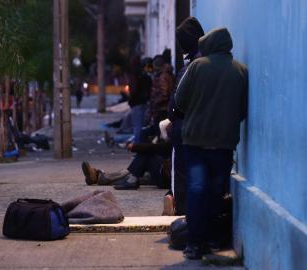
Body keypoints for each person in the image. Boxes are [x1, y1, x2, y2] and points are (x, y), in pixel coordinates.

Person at [175, 27, 248, 259]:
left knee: (197, 190)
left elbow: (180, 99)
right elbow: (243, 109)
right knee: (217, 192)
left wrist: (195, 114)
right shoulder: (241, 70)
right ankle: (213, 239)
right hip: (223, 144)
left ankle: (195, 243)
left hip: (195, 142)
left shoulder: (197, 66)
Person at [166, 17, 205, 216]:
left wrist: (171, 114)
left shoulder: (190, 66)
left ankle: (182, 213)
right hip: (204, 128)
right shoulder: (210, 61)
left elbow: (177, 101)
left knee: (180, 174)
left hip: (184, 126)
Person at [82, 140, 171, 190]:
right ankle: (99, 177)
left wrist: (137, 147)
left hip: (168, 177)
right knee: (135, 172)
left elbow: (162, 148)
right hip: (168, 173)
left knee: (144, 157)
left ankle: (100, 177)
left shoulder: (179, 129)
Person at [127, 56, 152, 143]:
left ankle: (137, 147)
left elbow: (133, 90)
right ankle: (139, 145)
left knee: (137, 126)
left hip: (136, 102)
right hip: (144, 102)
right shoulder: (144, 74)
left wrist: (130, 99)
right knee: (141, 125)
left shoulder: (133, 74)